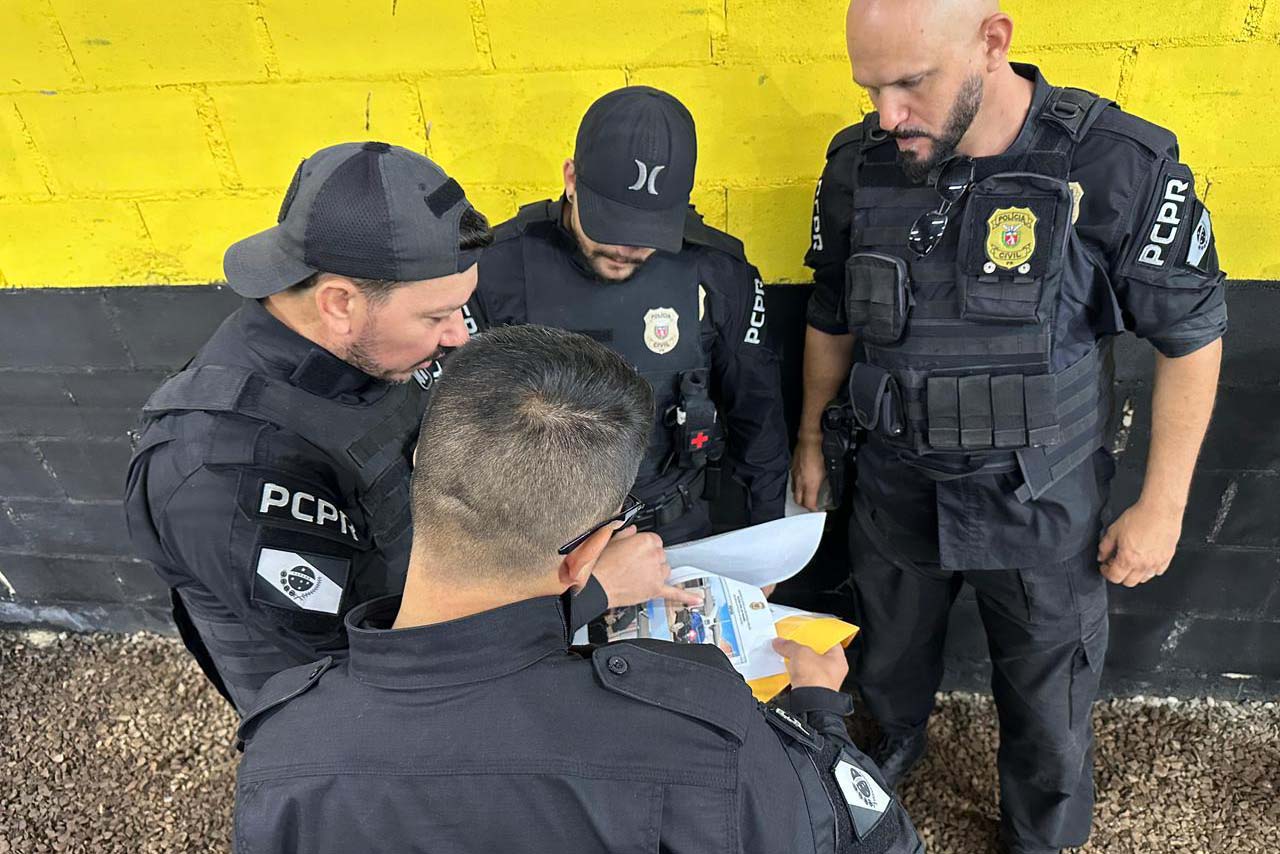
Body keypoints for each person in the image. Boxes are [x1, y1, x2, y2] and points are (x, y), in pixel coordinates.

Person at [791, 3, 1226, 853]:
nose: (888, 114)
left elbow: (1192, 334)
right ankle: (884, 767)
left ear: (992, 42)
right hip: (895, 487)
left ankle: (1041, 835)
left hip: (1039, 503)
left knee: (1050, 707)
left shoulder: (1114, 165)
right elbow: (832, 314)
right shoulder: (859, 165)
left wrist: (1164, 505)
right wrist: (811, 438)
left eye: (910, 83)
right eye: (870, 88)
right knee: (886, 667)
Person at [233, 324, 924, 854]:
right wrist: (820, 714)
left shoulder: (283, 745)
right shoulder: (698, 731)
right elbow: (877, 837)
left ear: (422, 472)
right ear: (587, 555)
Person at [124, 142, 682, 713]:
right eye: (436, 316)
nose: (458, 336)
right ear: (338, 303)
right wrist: (587, 595)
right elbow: (373, 673)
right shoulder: (220, 469)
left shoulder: (374, 351)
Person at [472, 86, 789, 545]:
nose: (627, 248)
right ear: (572, 180)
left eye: (649, 231)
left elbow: (757, 414)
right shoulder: (496, 269)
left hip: (674, 531)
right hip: (540, 541)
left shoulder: (716, 270)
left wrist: (768, 535)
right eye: (612, 223)